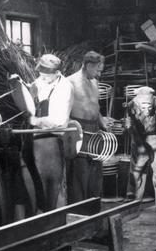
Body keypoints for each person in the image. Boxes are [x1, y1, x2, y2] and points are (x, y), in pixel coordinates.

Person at [23, 53, 74, 212]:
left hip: (51, 142)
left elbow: (58, 121)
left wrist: (35, 121)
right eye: (40, 74)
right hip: (33, 139)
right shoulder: (38, 83)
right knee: (34, 188)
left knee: (51, 191)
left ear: (56, 73)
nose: (41, 78)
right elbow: (27, 104)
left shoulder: (65, 87)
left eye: (45, 75)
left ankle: (51, 222)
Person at [66, 51, 112, 202]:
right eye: (98, 70)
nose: (99, 74)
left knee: (95, 171)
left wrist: (102, 120)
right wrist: (70, 133)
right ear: (88, 65)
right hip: (78, 129)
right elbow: (63, 110)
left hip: (95, 129)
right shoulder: (69, 82)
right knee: (80, 173)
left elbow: (95, 106)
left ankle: (93, 207)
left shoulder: (95, 82)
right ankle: (79, 210)